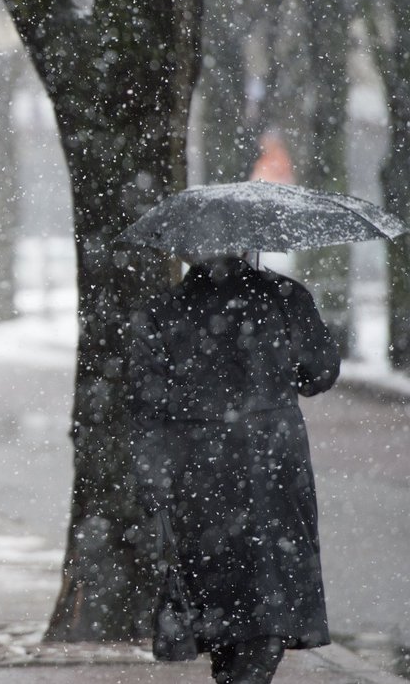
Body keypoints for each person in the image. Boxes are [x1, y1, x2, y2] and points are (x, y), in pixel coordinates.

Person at [127, 253, 340, 684]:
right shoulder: (283, 296)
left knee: (218, 591)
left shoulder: (163, 309)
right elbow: (318, 374)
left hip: (197, 468)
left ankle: (234, 671)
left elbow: (144, 404)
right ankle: (248, 673)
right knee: (272, 586)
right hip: (273, 464)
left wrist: (153, 478)